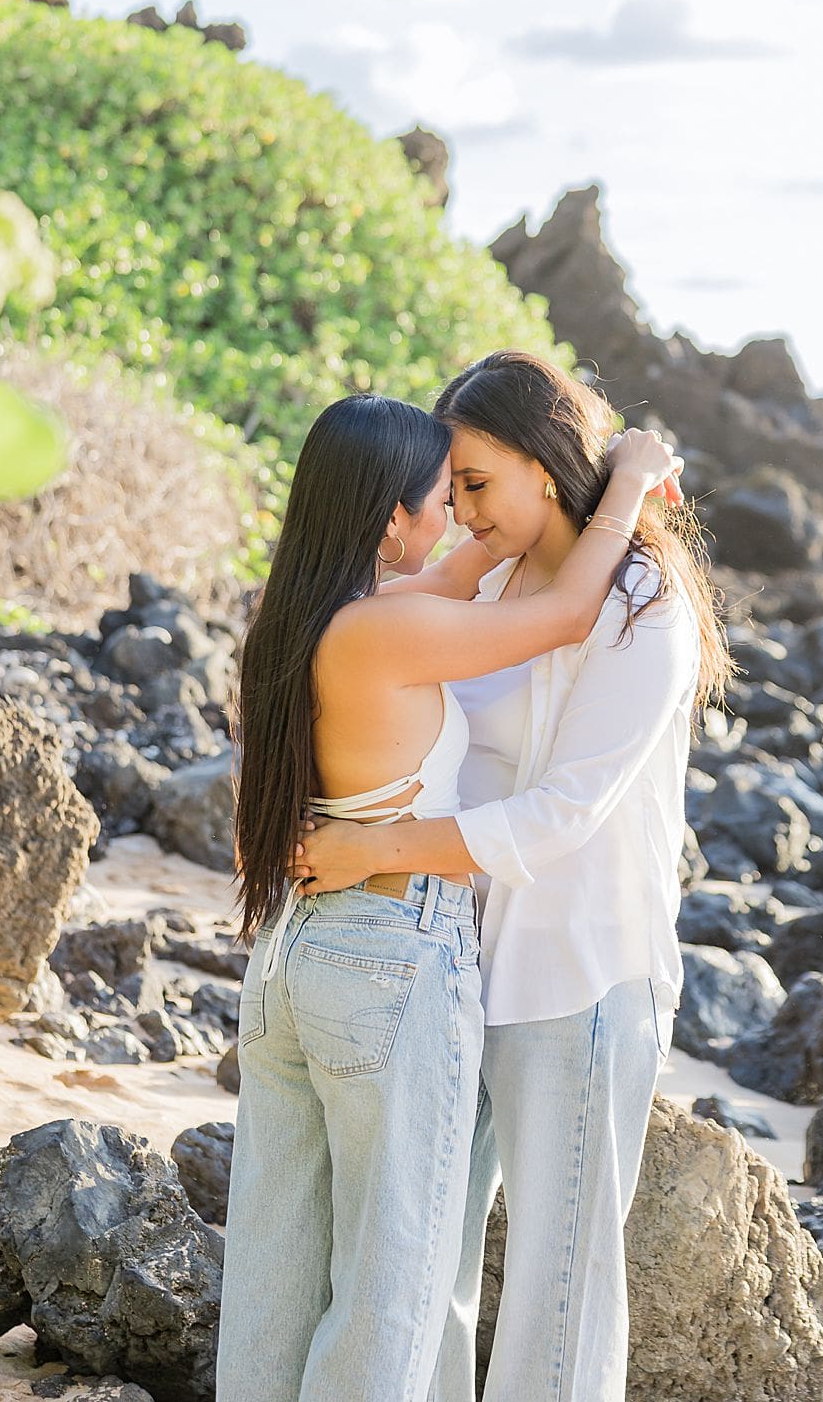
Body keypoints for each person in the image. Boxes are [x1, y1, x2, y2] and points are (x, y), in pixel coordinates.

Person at [215, 389, 680, 1402]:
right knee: (392, 1289)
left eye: (475, 488)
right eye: (446, 494)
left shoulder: (326, 612)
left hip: (307, 953)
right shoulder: (402, 624)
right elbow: (562, 615)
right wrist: (633, 478)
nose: (461, 519)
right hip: (395, 952)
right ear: (392, 517)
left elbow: (502, 574)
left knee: (275, 1273)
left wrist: (575, 499)